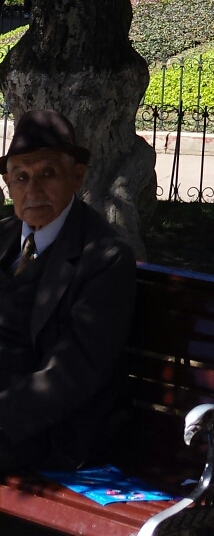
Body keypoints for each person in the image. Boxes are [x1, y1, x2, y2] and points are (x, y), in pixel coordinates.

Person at [0, 109, 135, 473]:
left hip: (50, 433)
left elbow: (72, 374)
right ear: (8, 184)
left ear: (77, 177)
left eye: (48, 173)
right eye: (21, 177)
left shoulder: (105, 256)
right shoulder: (4, 237)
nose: (33, 190)